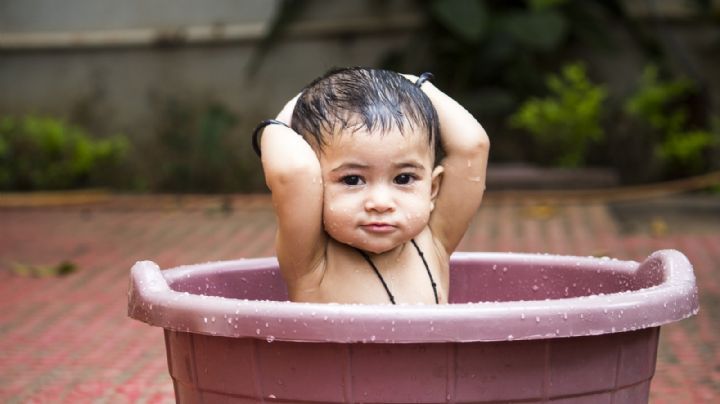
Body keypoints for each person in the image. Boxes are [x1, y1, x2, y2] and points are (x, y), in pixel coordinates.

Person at [253, 67, 488, 304]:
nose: (380, 203)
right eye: (352, 180)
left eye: (403, 179)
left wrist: (413, 83)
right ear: (317, 189)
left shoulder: (434, 241)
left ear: (432, 190)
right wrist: (281, 120)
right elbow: (294, 171)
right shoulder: (311, 260)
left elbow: (473, 146)